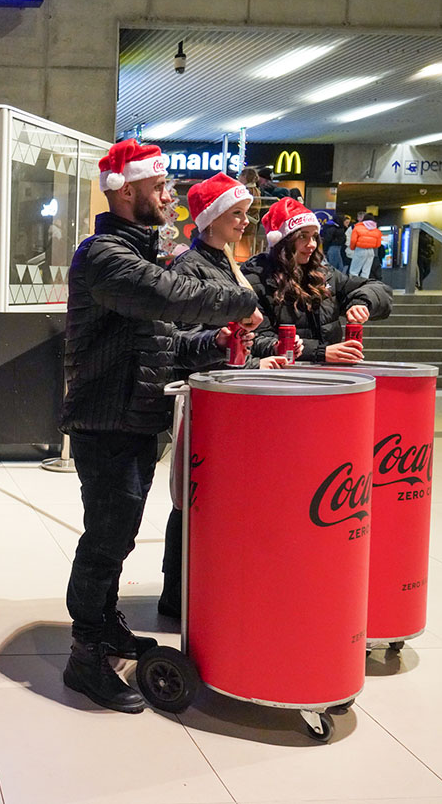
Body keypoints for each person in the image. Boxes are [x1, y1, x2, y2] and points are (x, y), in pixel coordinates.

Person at [59, 140, 262, 713]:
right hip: (107, 422)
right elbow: (167, 295)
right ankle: (85, 656)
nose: (167, 195)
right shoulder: (103, 256)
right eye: (158, 187)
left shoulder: (139, 256)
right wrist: (235, 303)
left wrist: (212, 342)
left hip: (135, 417)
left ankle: (105, 626)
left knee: (117, 537)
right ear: (126, 191)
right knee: (106, 539)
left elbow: (164, 343)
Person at [156, 173, 295, 620]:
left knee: (207, 500)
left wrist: (264, 357)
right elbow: (184, 344)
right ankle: (179, 594)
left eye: (246, 213)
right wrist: (235, 351)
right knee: (193, 500)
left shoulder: (224, 262)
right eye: (235, 213)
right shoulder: (191, 268)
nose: (244, 221)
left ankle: (195, 589)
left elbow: (238, 339)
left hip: (227, 398)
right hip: (206, 403)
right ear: (210, 219)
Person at [243, 197, 393, 364]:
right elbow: (256, 339)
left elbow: (378, 288)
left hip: (327, 375)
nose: (312, 244)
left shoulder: (324, 273)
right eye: (303, 237)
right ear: (282, 241)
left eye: (314, 237)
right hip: (282, 377)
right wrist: (320, 352)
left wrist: (361, 302)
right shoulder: (256, 279)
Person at [348, 213, 382, 278]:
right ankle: (364, 286)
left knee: (354, 271)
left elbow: (353, 240)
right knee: (366, 272)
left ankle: (353, 285)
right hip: (371, 251)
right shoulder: (376, 230)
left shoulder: (357, 227)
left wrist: (352, 248)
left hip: (360, 250)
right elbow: (378, 244)